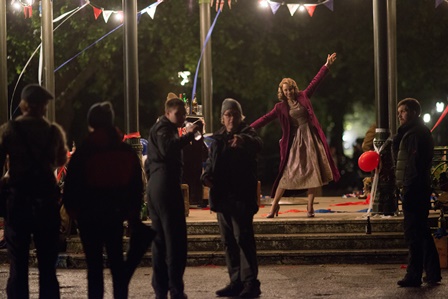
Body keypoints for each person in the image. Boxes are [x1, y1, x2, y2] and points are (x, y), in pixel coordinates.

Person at [63, 101, 153, 298]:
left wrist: (74, 212)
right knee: (117, 262)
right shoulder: (125, 151)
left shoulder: (84, 151)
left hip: (89, 217)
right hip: (115, 215)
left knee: (94, 267)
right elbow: (135, 186)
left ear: (91, 123)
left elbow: (72, 185)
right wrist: (133, 215)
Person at [251, 53, 340, 218]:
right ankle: (274, 207)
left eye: (291, 88)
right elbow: (265, 119)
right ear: (282, 92)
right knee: (286, 173)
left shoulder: (304, 96)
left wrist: (326, 65)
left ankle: (310, 207)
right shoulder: (280, 107)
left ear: (295, 88)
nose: (289, 92)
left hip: (311, 138)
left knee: (314, 172)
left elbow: (315, 82)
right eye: (286, 90)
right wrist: (248, 128)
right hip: (295, 142)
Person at [0, 84, 68, 298]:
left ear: (23, 105)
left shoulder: (9, 129)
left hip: (18, 200)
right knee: (48, 267)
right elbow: (60, 160)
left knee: (18, 264)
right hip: (46, 201)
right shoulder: (53, 131)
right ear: (44, 108)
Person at [202, 98, 263, 298]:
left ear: (240, 116)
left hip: (241, 197)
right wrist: (206, 176)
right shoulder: (218, 138)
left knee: (243, 239)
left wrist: (243, 141)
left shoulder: (247, 134)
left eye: (235, 114)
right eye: (228, 114)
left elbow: (257, 144)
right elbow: (211, 162)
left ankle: (250, 283)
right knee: (228, 241)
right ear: (222, 118)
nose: (231, 118)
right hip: (222, 197)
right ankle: (235, 281)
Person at [145, 94, 200, 299]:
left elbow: (149, 163)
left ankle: (161, 289)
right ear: (168, 113)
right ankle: (175, 290)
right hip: (166, 186)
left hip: (157, 186)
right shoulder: (163, 128)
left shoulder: (160, 128)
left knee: (160, 241)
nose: (182, 117)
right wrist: (188, 134)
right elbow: (168, 149)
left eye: (184, 114)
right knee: (175, 240)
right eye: (178, 114)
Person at [393, 98, 442, 287]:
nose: (400, 116)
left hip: (414, 188)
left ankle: (413, 275)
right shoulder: (413, 132)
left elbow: (413, 166)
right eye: (399, 112)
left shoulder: (415, 134)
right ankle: (432, 272)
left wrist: (407, 188)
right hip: (416, 187)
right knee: (421, 231)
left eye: (403, 111)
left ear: (414, 112)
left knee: (414, 233)